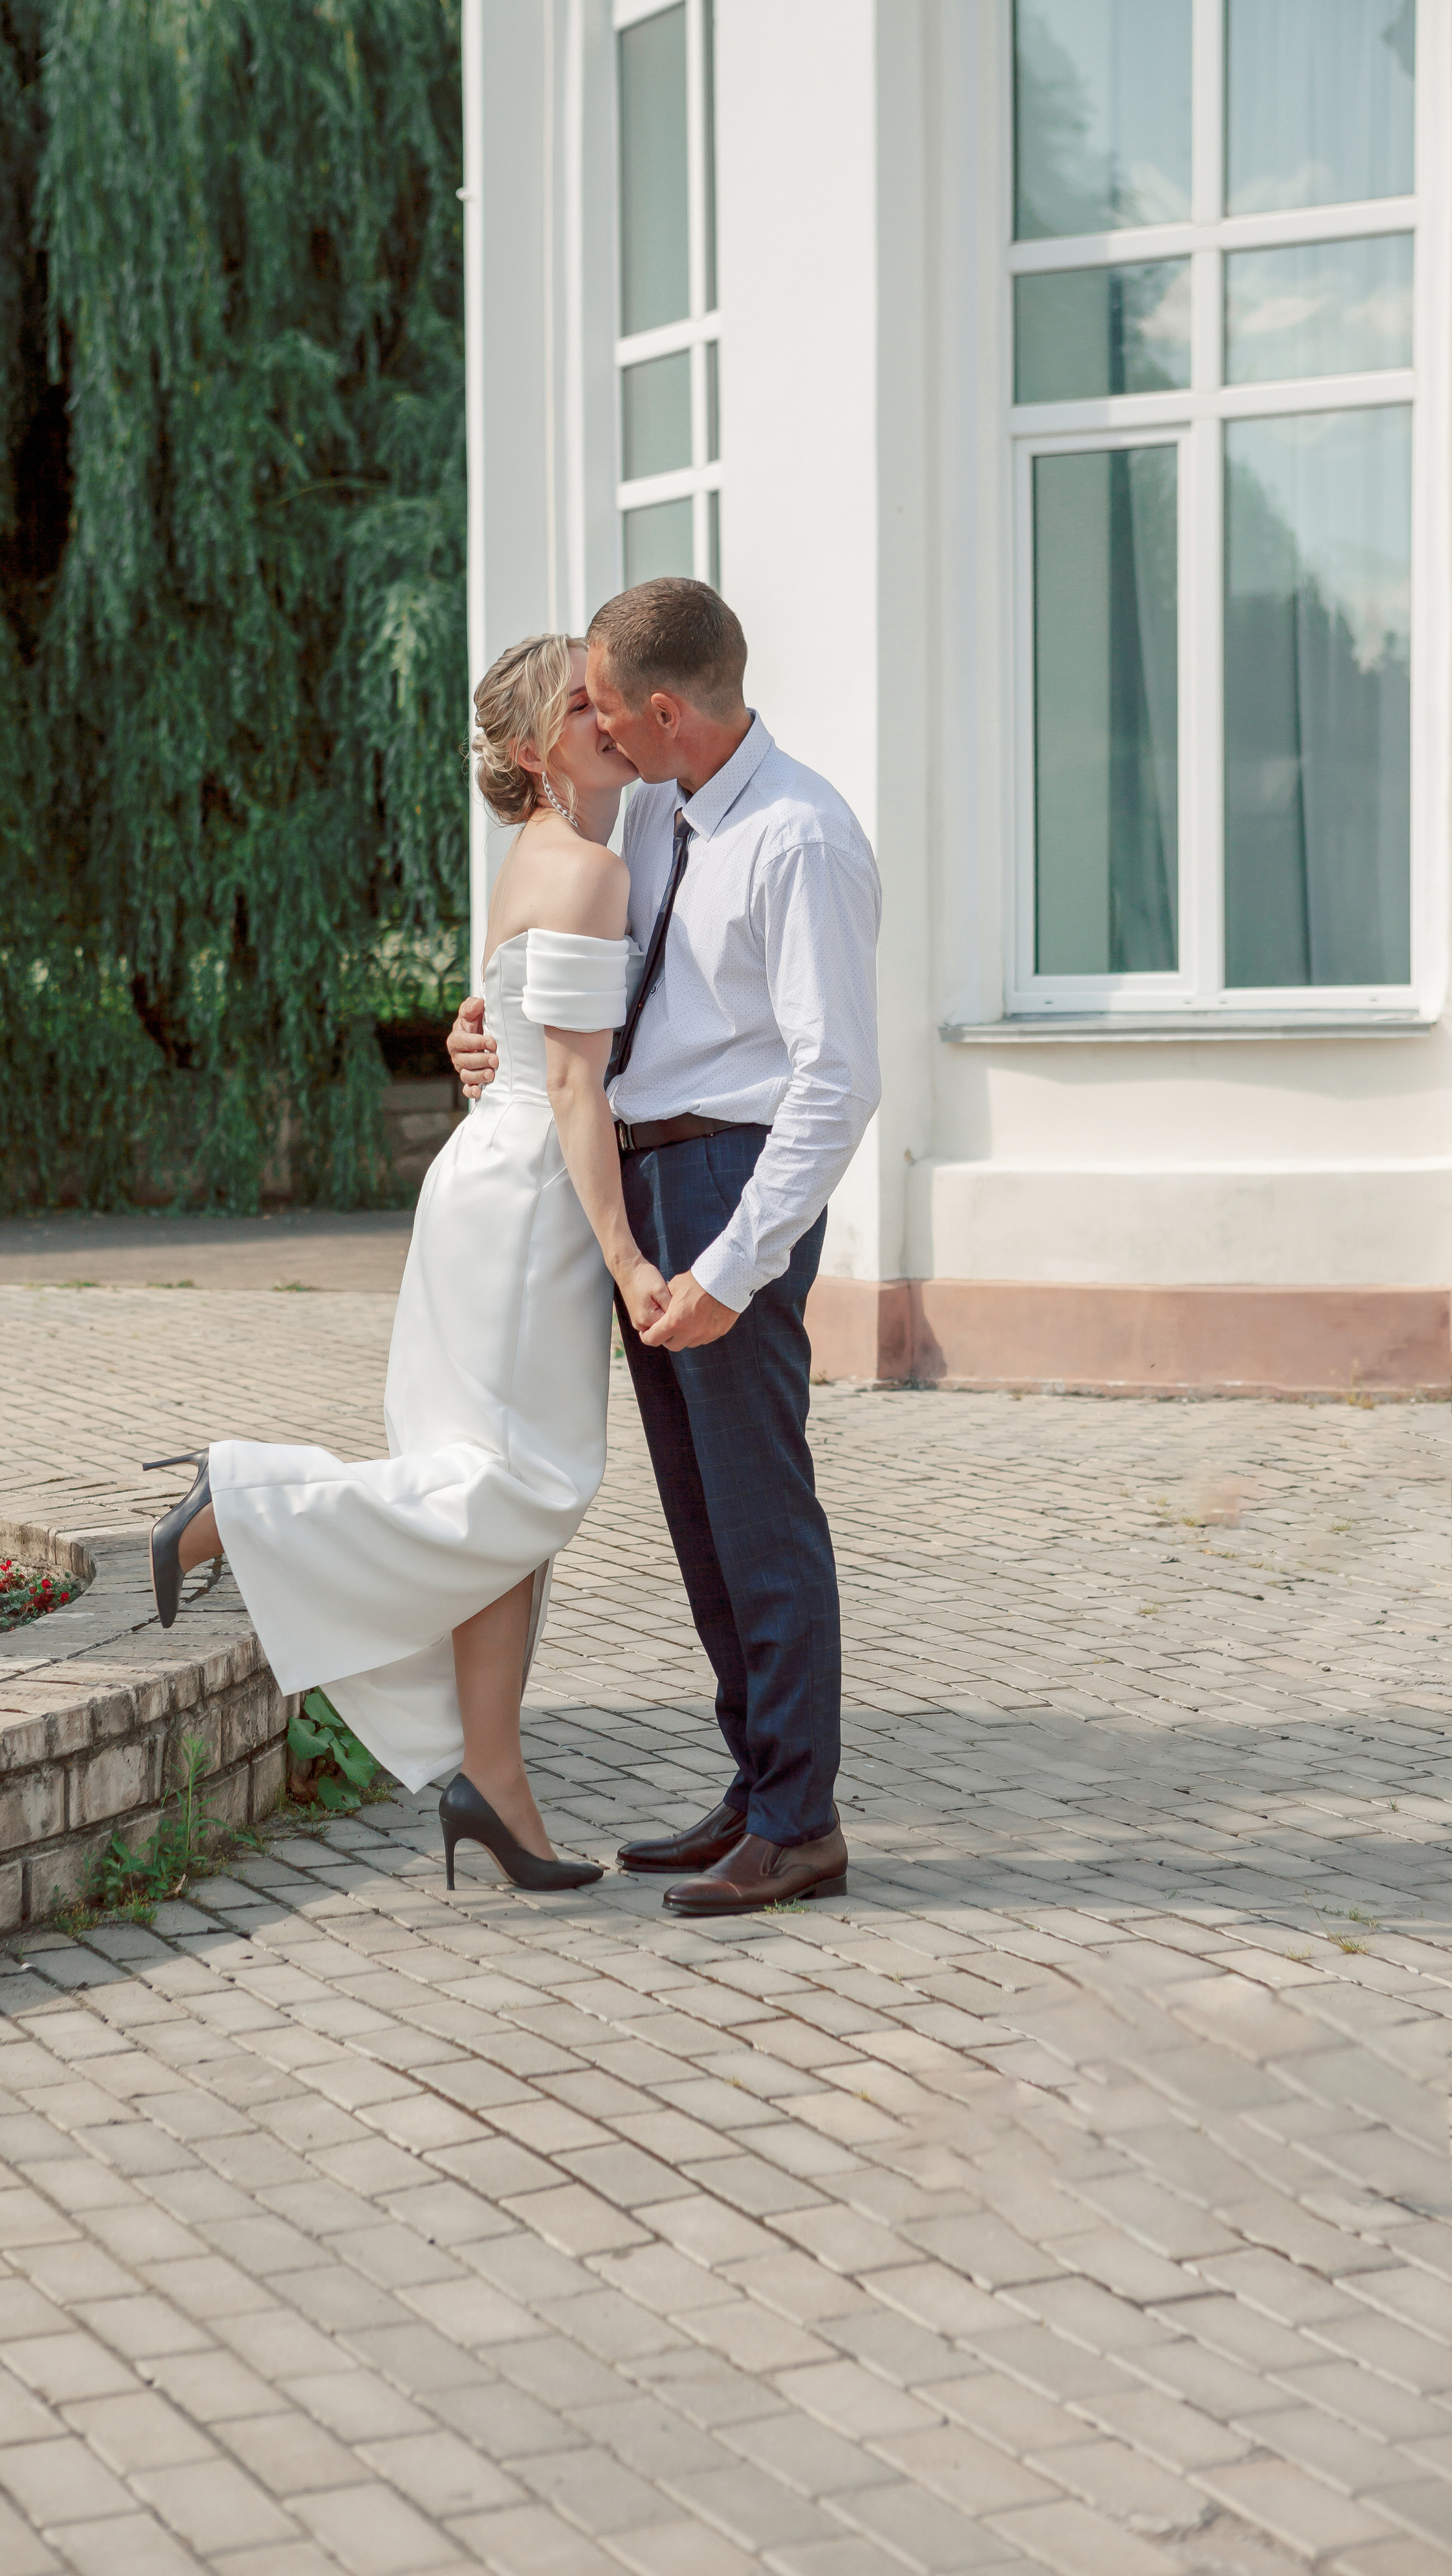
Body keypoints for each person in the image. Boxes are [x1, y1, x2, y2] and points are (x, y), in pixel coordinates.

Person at [143, 634, 669, 1894]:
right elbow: (576, 1087)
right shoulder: (589, 867)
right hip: (532, 1203)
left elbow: (508, 1027)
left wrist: (477, 1047)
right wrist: (628, 1263)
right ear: (539, 747)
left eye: (609, 700)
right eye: (581, 707)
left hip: (488, 1185)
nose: (607, 718)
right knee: (518, 1492)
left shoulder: (546, 855)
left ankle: (494, 1781)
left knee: (494, 1509)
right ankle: (240, 1506)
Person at [448, 577, 881, 1917]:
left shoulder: (798, 837)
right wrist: (487, 1038)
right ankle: (754, 1791)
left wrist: (728, 1265)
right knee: (701, 1521)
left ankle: (799, 1823)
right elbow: (574, 1005)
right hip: (645, 1182)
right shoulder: (656, 811)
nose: (595, 727)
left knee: (759, 1514)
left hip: (723, 1186)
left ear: (658, 711)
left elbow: (835, 1082)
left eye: (601, 704)